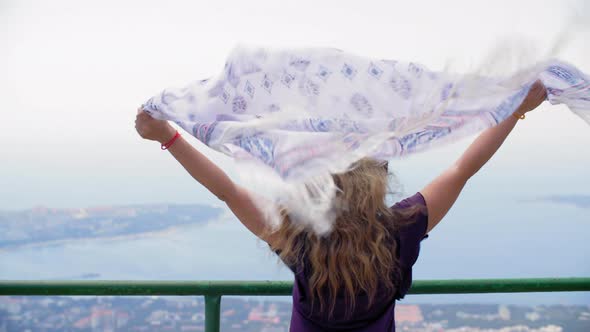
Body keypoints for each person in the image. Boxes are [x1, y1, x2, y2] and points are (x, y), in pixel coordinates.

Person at [135, 80, 547, 331]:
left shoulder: (298, 236)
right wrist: (515, 112)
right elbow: (461, 170)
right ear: (376, 180)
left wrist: (167, 138)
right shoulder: (401, 228)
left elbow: (228, 191)